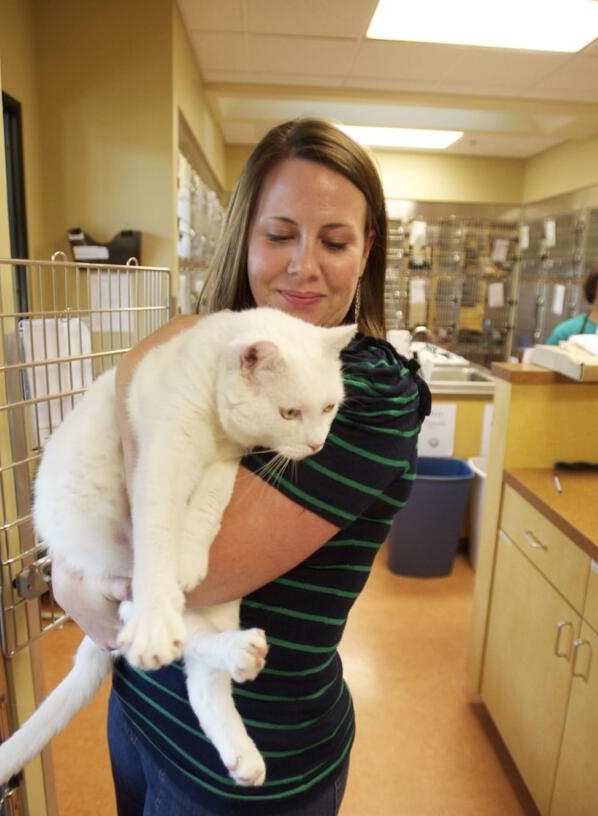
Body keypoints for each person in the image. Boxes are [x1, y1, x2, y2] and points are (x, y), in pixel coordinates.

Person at [51, 118, 430, 815]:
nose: (303, 266)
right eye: (279, 235)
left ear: (367, 250)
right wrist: (77, 579)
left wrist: (89, 583)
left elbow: (190, 573)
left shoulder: (365, 393)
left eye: (336, 241)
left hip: (245, 773)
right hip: (143, 709)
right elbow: (98, 571)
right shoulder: (222, 355)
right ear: (244, 237)